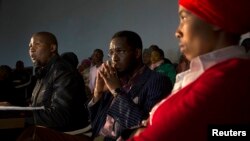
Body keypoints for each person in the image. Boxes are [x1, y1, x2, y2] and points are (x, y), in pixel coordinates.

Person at [124, 0, 250, 141]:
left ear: (214, 20)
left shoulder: (223, 81)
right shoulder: (210, 74)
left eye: (184, 17)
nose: (177, 32)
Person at [16, 30, 173, 141]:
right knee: (31, 134)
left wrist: (117, 92)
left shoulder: (156, 81)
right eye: (111, 53)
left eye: (120, 51)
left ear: (137, 53)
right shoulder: (113, 79)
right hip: (95, 137)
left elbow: (146, 126)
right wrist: (97, 95)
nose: (114, 58)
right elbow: (94, 123)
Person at [25, 31, 89, 132]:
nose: (31, 49)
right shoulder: (44, 71)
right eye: (30, 46)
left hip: (66, 134)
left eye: (37, 44)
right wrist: (13, 110)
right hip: (45, 129)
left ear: (52, 48)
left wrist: (22, 117)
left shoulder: (63, 71)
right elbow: (37, 106)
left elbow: (60, 116)